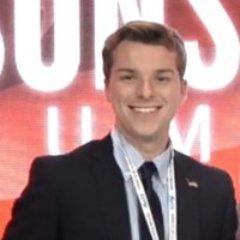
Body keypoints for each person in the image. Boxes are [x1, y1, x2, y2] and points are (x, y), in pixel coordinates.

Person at [3, 20, 237, 240]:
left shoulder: (214, 189)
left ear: (182, 91)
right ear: (107, 87)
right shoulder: (59, 180)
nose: (145, 92)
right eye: (129, 77)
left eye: (161, 79)